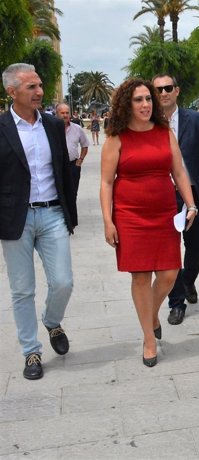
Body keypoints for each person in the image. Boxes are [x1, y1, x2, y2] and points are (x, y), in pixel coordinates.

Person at [100, 79, 197, 367]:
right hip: (130, 214)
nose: (145, 105)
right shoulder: (115, 138)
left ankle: (151, 313)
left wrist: (190, 204)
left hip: (164, 211)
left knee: (168, 273)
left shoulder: (164, 132)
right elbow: (106, 183)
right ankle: (149, 338)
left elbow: (179, 170)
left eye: (148, 99)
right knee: (141, 276)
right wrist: (108, 221)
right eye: (138, 100)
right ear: (126, 105)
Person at [0, 63, 78, 380]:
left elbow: (63, 170)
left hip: (51, 213)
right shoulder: (2, 127)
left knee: (63, 281)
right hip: (14, 218)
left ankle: (51, 319)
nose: (39, 92)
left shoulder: (52, 126)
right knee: (22, 290)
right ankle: (31, 352)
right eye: (31, 87)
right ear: (12, 91)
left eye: (40, 85)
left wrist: (69, 213)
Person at [152, 74, 199, 326]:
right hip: (162, 196)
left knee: (195, 244)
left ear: (177, 91)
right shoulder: (146, 122)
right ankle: (176, 302)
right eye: (158, 89)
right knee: (170, 250)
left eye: (168, 88)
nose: (163, 93)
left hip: (192, 193)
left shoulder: (194, 119)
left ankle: (187, 280)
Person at [56, 103, 89, 196]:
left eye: (67, 113)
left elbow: (85, 145)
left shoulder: (77, 128)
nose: (65, 115)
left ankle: (72, 210)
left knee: (73, 193)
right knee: (58, 194)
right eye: (62, 113)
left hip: (73, 166)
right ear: (57, 113)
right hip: (57, 167)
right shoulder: (50, 129)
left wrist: (80, 160)